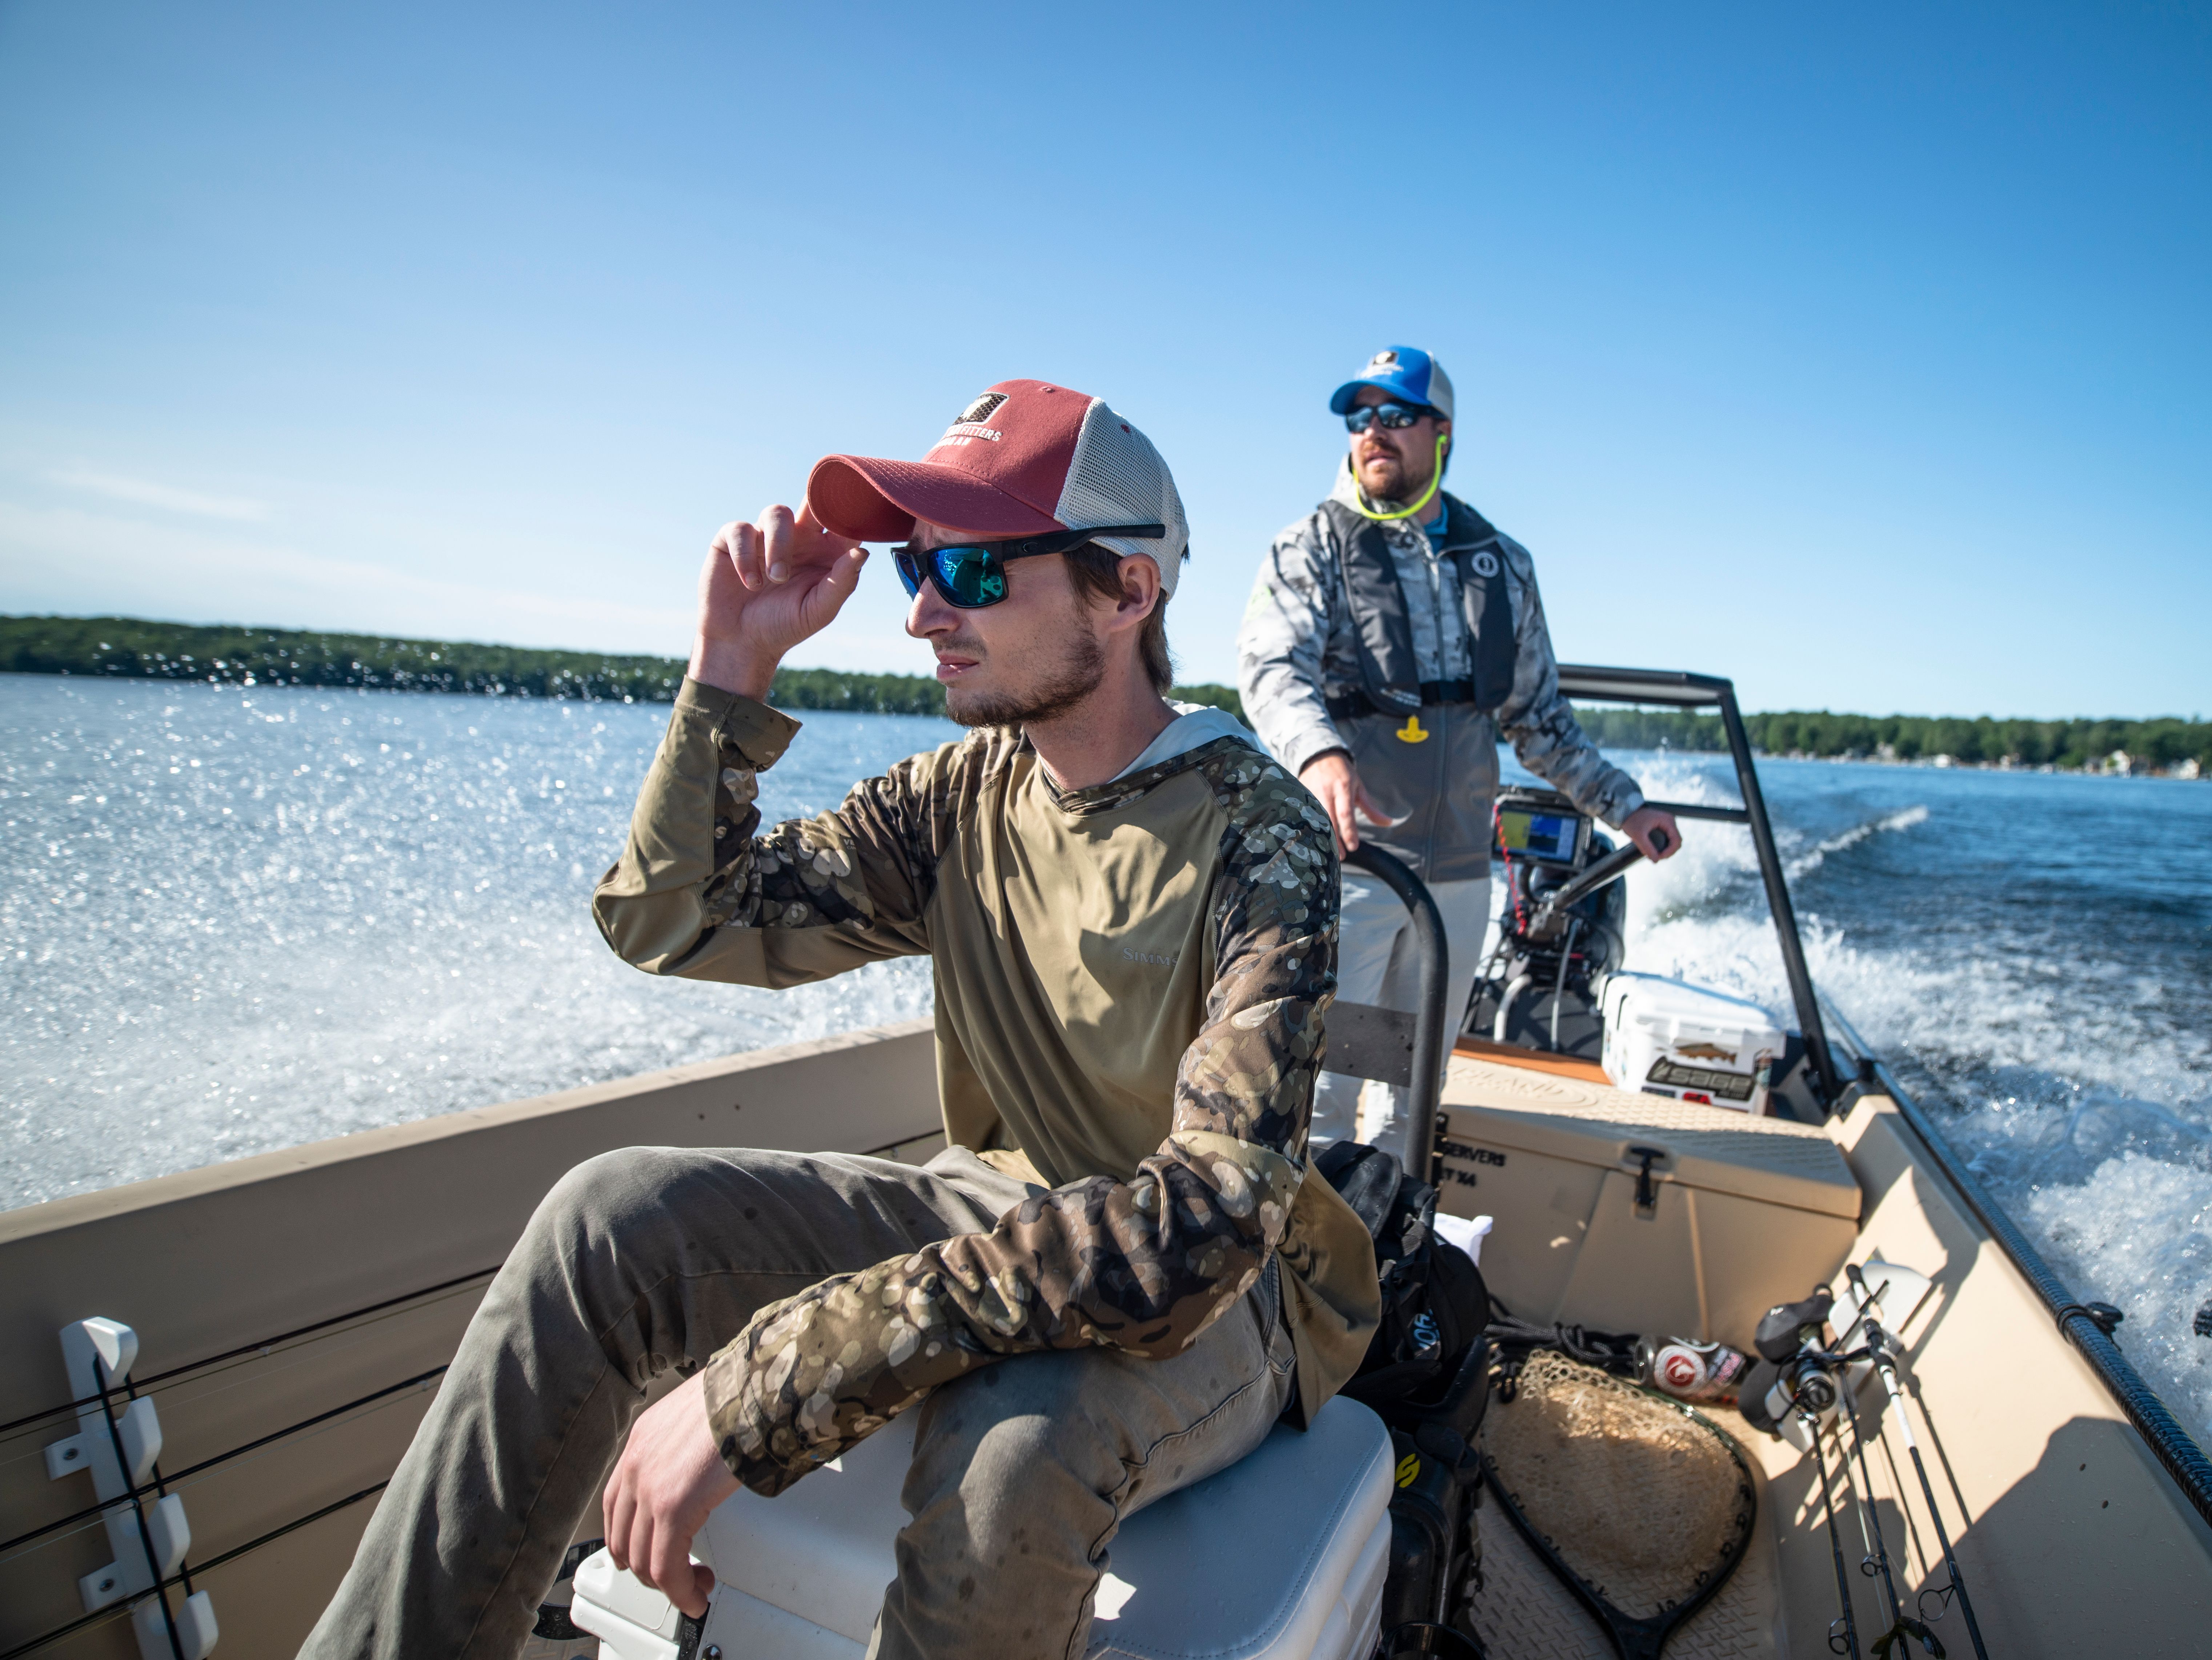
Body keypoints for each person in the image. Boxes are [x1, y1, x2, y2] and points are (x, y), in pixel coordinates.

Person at [301, 381, 1378, 1660]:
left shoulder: (1265, 837)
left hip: (1229, 1302)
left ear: (1129, 590)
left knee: (1022, 1439)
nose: (923, 609)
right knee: (609, 1217)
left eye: (973, 567)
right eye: (921, 563)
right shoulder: (955, 800)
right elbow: (679, 919)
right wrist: (730, 674)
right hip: (993, 1209)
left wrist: (762, 1388)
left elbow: (1203, 1223)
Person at [1237, 346, 1682, 1146]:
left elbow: (1538, 720)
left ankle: (1384, 1254)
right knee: (1325, 1094)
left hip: (1457, 882)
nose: (1373, 433)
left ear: (1441, 433)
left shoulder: (1503, 566)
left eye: (1396, 416)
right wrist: (1318, 754)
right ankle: (1306, 1264)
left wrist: (1626, 804)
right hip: (1355, 871)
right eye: (1359, 417)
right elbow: (1272, 669)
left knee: (1409, 1093)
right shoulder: (1309, 546)